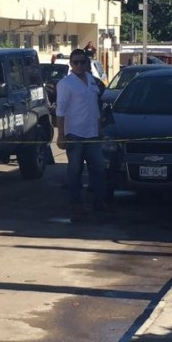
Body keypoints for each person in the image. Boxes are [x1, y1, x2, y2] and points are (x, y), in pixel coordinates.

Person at [56, 48, 108, 221]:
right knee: (75, 171)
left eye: (82, 62)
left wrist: (99, 128)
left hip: (92, 134)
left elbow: (96, 108)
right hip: (75, 134)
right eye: (75, 62)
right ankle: (76, 205)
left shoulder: (92, 81)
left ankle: (98, 202)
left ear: (87, 63)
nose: (79, 65)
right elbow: (60, 111)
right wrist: (61, 135)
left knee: (99, 169)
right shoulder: (66, 84)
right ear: (71, 65)